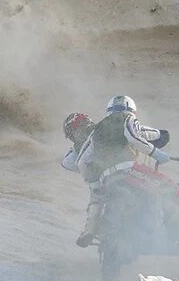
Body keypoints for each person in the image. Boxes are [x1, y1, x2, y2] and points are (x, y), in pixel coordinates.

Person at [61, 96, 169, 248]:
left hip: (104, 179)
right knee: (165, 187)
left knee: (96, 200)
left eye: (80, 126)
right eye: (76, 129)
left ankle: (89, 231)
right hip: (128, 169)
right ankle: (161, 228)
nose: (80, 131)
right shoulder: (117, 122)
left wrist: (91, 177)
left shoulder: (87, 141)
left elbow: (72, 163)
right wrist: (157, 147)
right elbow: (139, 135)